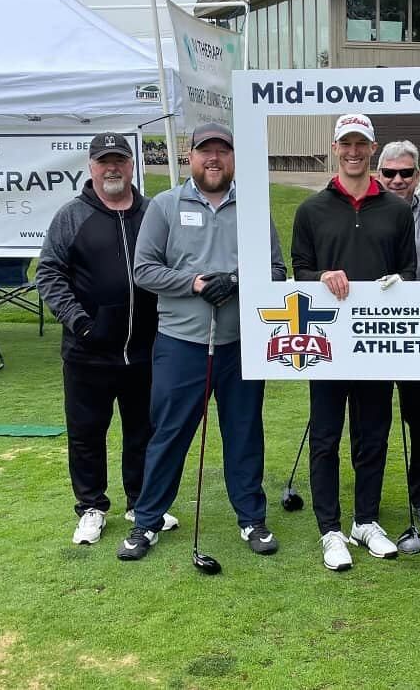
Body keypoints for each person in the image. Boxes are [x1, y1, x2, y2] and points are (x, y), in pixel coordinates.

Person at [117, 122, 287, 561]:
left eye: (222, 151)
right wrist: (193, 283)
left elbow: (276, 271)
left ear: (233, 158)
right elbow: (144, 270)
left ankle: (252, 517)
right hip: (181, 345)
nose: (214, 159)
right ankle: (147, 522)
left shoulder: (253, 207)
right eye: (205, 151)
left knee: (245, 434)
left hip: (240, 344)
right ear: (190, 157)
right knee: (169, 435)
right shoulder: (166, 206)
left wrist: (237, 281)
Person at [37, 132, 178, 545]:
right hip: (88, 351)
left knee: (143, 431)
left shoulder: (154, 212)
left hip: (146, 350)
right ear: (91, 167)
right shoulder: (71, 216)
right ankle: (92, 508)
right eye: (104, 161)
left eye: (119, 160)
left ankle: (140, 502)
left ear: (132, 165)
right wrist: (80, 322)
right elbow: (49, 273)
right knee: (86, 433)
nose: (112, 168)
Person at [291, 114, 417, 571]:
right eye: (346, 143)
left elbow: (412, 271)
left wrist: (397, 283)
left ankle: (366, 521)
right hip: (325, 343)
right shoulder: (312, 210)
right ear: (335, 147)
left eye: (361, 144)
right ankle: (331, 529)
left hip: (376, 342)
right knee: (325, 438)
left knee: (373, 435)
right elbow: (298, 269)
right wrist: (320, 276)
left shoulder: (398, 211)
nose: (353, 152)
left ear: (372, 148)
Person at [376, 140, 420, 527]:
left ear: (418, 175)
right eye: (390, 172)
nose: (398, 179)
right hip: (372, 327)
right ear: (379, 174)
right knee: (373, 418)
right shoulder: (366, 205)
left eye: (407, 172)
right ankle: (370, 495)